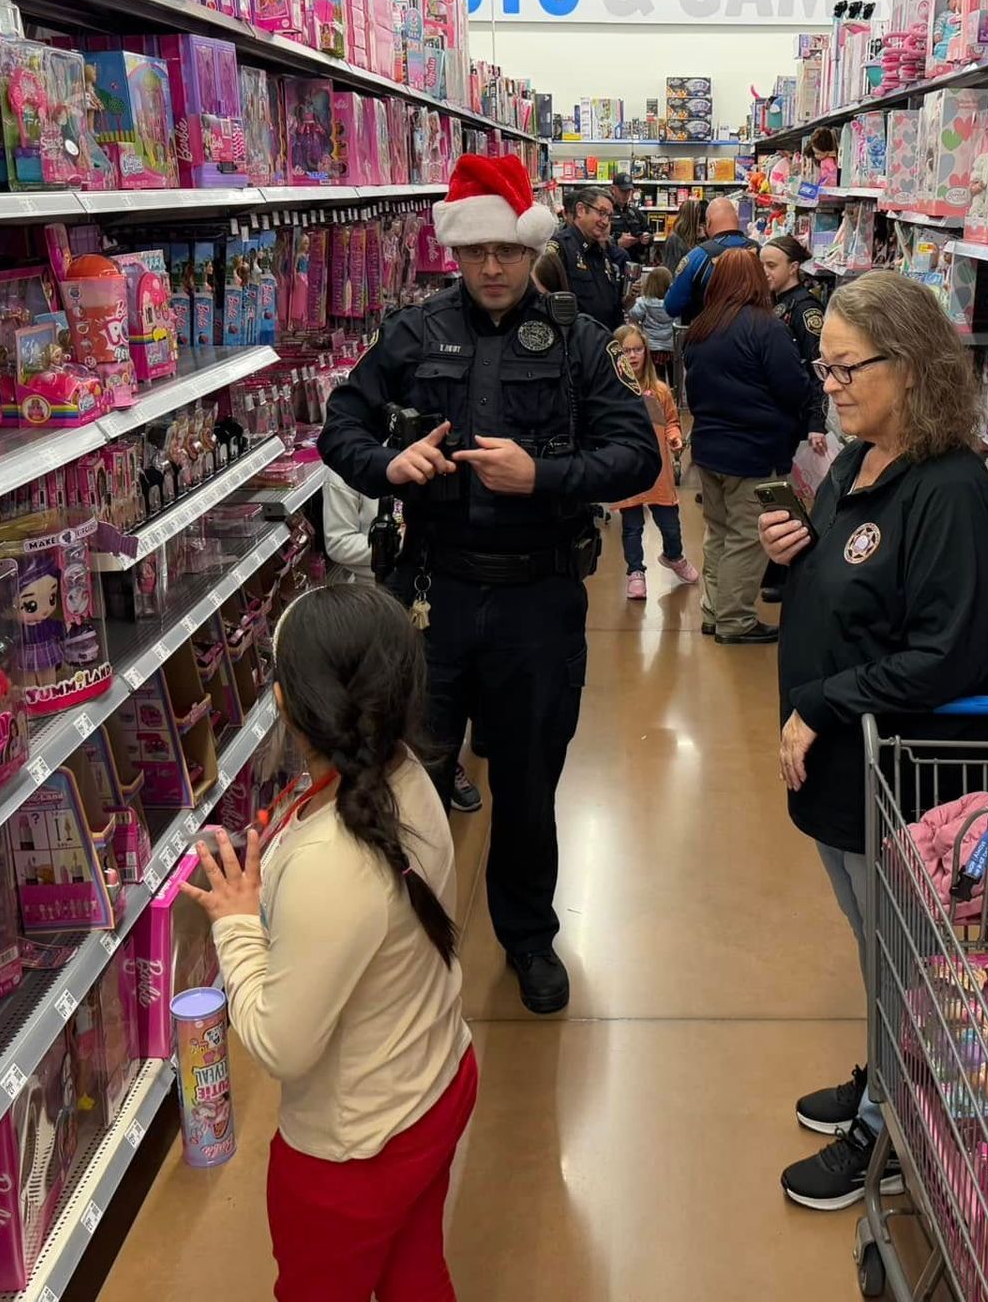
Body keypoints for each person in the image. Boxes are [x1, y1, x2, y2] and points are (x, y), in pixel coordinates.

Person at [319, 153, 659, 1014]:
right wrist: (389, 464)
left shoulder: (578, 339)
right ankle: (404, 941)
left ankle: (528, 935)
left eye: (509, 251)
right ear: (456, 255)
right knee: (405, 779)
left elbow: (639, 454)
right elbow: (339, 427)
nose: (496, 269)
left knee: (529, 781)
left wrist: (540, 476)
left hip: (539, 600)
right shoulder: (411, 333)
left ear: (530, 247)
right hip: (429, 594)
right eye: (478, 255)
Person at [757, 270, 988, 1210]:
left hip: (905, 774)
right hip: (843, 769)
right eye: (825, 367)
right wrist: (798, 561)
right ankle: (883, 1080)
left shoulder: (951, 491)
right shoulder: (859, 462)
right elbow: (854, 586)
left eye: (848, 367)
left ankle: (891, 1137)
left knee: (904, 961)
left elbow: (948, 656)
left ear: (909, 365)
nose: (833, 385)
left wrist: (821, 706)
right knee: (876, 950)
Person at [190, 583, 475, 1300]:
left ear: (285, 704)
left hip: (356, 1148)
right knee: (416, 1270)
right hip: (437, 1081)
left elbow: (284, 1044)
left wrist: (236, 924)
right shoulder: (407, 774)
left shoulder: (332, 859)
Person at [323, 470, 485, 815]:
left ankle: (444, 764)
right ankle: (385, 779)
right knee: (383, 697)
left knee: (436, 695)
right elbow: (337, 541)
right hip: (376, 598)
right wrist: (400, 545)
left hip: (437, 590)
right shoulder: (348, 467)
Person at [682, 247, 813, 645]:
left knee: (718, 532)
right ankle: (735, 620)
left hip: (708, 448)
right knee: (746, 535)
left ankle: (713, 610)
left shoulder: (701, 328)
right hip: (752, 451)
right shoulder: (765, 327)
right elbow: (793, 387)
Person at [610, 324, 697, 601]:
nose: (633, 355)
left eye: (638, 349)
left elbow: (671, 421)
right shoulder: (611, 392)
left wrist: (674, 438)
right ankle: (635, 572)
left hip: (658, 473)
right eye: (626, 351)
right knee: (632, 527)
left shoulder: (659, 390)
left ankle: (674, 555)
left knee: (670, 525)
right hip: (627, 471)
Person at [761, 235, 829, 454]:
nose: (764, 271)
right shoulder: (774, 300)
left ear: (793, 268)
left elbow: (819, 367)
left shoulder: (806, 309)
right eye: (761, 265)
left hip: (798, 417)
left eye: (771, 266)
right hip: (776, 413)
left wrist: (816, 423)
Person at [546, 185, 630, 329]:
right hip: (576, 344)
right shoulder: (560, 248)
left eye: (609, 216)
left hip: (604, 340)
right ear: (580, 210)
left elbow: (612, 304)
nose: (605, 222)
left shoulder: (600, 251)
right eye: (601, 213)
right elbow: (546, 302)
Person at [664, 196, 753, 324]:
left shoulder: (698, 257)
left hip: (706, 335)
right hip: (754, 336)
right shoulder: (760, 252)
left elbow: (672, 306)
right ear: (737, 219)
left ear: (708, 222)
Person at [628, 265, 675, 364]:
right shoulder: (675, 304)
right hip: (671, 347)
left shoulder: (643, 302)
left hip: (651, 347)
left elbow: (633, 314)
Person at [608, 172, 651, 265]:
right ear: (613, 189)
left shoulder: (634, 212)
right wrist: (617, 243)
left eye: (628, 191)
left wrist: (647, 238)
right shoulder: (606, 211)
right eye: (622, 191)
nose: (626, 194)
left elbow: (649, 232)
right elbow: (597, 240)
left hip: (634, 263)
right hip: (612, 263)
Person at [662, 197, 703, 275]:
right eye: (698, 214)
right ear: (692, 217)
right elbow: (670, 270)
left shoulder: (694, 237)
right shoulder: (674, 239)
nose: (699, 218)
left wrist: (703, 238)